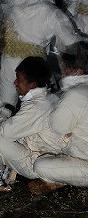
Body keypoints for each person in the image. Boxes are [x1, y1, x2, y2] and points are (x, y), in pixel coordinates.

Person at [0, 0, 82, 116]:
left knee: (5, 101)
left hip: (9, 58)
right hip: (33, 66)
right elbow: (70, 42)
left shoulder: (17, 0)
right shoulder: (51, 11)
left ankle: (0, 127)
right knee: (39, 101)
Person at [0, 57, 67, 191]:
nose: (15, 83)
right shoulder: (50, 97)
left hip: (38, 162)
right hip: (50, 156)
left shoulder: (36, 107)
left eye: (19, 80)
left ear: (33, 84)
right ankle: (7, 171)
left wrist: (2, 116)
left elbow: (6, 133)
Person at [32, 43, 88, 188]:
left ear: (69, 69)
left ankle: (66, 179)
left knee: (40, 165)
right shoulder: (77, 91)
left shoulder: (74, 94)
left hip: (84, 162)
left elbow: (57, 127)